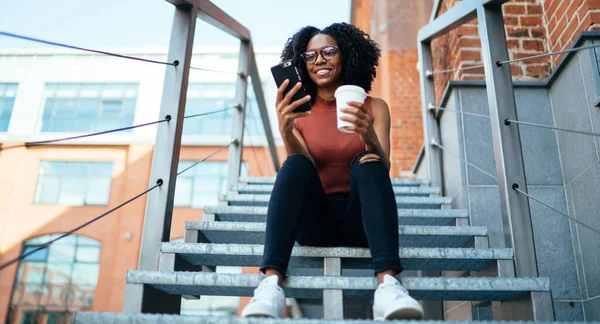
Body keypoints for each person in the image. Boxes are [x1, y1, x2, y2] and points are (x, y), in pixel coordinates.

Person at [241, 22, 424, 321]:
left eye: (328, 51)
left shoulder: (374, 107)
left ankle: (388, 286)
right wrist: (285, 129)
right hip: (315, 223)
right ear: (302, 62)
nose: (319, 61)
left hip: (360, 221)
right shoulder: (299, 113)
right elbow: (302, 173)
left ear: (347, 55)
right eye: (310, 55)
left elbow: (384, 169)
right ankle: (271, 286)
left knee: (369, 162)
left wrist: (369, 136)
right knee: (295, 164)